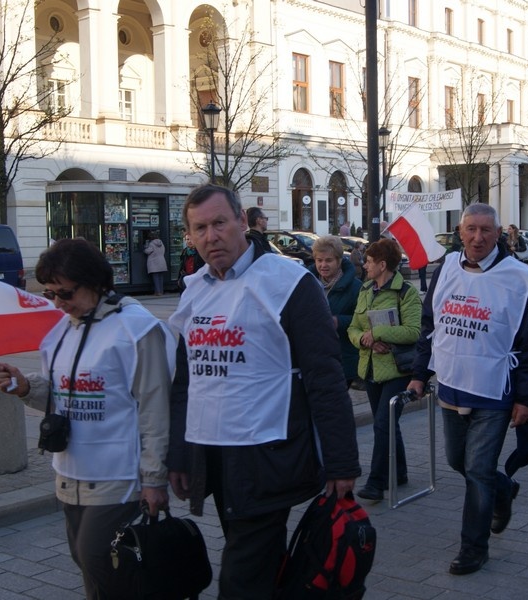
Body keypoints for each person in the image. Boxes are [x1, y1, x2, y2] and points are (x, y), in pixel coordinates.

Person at [166, 184, 360, 598]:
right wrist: (179, 453)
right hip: (214, 453)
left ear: (242, 220)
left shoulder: (289, 282)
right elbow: (186, 380)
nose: (211, 236)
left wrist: (342, 463)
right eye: (199, 228)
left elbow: (325, 378)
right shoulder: (195, 288)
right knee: (259, 570)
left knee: (240, 581)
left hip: (269, 454)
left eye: (219, 223)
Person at [0, 238, 174, 599]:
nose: (57, 303)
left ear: (93, 283)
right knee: (87, 561)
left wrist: (155, 478)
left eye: (65, 293)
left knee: (99, 559)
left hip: (118, 475)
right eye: (50, 293)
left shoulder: (136, 329)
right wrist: (25, 387)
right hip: (71, 471)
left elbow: (155, 409)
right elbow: (62, 394)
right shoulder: (62, 328)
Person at [407, 204, 528, 576]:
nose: (478, 237)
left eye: (486, 230)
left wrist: (527, 397)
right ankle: (503, 490)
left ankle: (473, 547)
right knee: (458, 462)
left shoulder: (519, 278)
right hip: (452, 385)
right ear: (460, 232)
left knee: (478, 469)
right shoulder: (446, 269)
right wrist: (420, 374)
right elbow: (430, 325)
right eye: (471, 230)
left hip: (494, 390)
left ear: (498, 234)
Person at [347, 238, 421, 502]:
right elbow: (353, 328)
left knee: (382, 424)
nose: (364, 266)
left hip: (397, 371)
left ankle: (376, 482)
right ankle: (399, 472)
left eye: (368, 262)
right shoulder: (366, 290)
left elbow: (414, 331)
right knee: (388, 424)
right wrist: (364, 339)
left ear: (382, 264)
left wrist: (377, 332)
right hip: (370, 369)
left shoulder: (406, 292)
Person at [309, 236, 361, 387]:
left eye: (328, 260)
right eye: (319, 260)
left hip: (342, 358)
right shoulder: (306, 283)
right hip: (313, 358)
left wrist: (338, 321)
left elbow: (362, 320)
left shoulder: (355, 287)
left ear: (339, 261)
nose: (323, 265)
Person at [144, 231, 168, 296]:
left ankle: (158, 292)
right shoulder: (161, 243)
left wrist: (145, 247)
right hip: (162, 261)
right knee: (160, 277)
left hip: (154, 262)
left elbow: (148, 251)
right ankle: (161, 291)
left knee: (155, 277)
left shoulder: (151, 243)